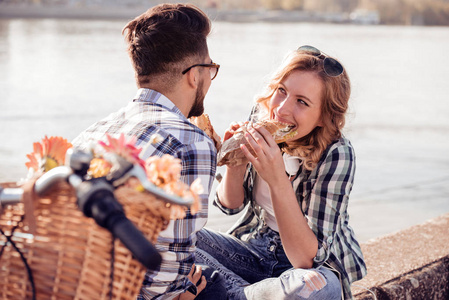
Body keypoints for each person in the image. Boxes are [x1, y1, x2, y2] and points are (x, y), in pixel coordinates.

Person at [71, 3, 225, 300]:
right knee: (212, 285)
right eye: (209, 68)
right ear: (194, 75)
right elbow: (169, 265)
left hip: (78, 285)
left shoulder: (91, 133)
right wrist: (186, 292)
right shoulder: (191, 142)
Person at [196, 46, 367, 299]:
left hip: (306, 268)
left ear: (324, 116)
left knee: (315, 287)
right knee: (173, 232)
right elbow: (229, 205)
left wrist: (277, 179)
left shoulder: (337, 153)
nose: (282, 110)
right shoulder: (260, 117)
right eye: (281, 91)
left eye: (302, 102)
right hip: (255, 249)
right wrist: (236, 162)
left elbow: (306, 259)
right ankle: (239, 292)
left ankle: (227, 291)